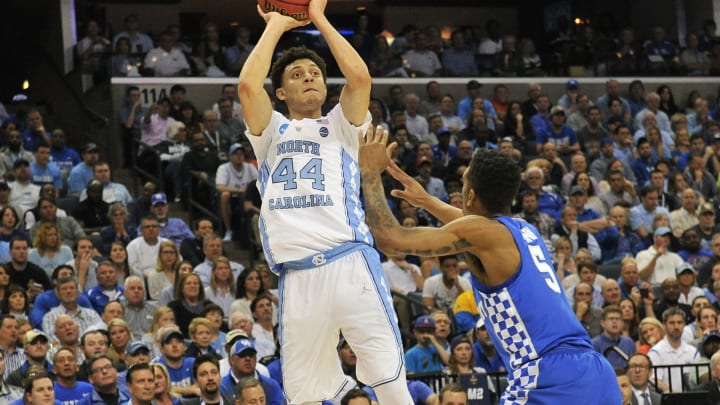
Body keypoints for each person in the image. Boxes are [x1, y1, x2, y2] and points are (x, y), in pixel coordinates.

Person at [358, 133, 620, 403]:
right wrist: (427, 201)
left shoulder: (483, 234)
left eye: (463, 184)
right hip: (595, 371)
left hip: (547, 374)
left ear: (470, 195)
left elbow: (391, 238)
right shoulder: (524, 230)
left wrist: (369, 172)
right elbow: (472, 227)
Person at [238, 2, 412, 403]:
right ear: (281, 92)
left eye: (314, 73)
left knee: (390, 382)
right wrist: (278, 26)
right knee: (301, 396)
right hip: (297, 277)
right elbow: (248, 87)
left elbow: (360, 77)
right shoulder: (271, 132)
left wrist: (318, 17)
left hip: (349, 261)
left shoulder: (341, 125)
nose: (308, 78)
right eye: (296, 75)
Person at [647, 307, 699, 392]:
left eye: (680, 322)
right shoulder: (655, 352)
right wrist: (675, 395)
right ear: (664, 325)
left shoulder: (693, 352)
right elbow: (655, 380)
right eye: (672, 323)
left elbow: (698, 379)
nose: (676, 327)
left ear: (684, 324)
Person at [41, 277, 102, 343]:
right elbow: (53, 342)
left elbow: (101, 336)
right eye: (64, 289)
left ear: (77, 292)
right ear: (58, 294)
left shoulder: (92, 314)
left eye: (72, 288)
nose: (68, 291)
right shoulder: (49, 317)